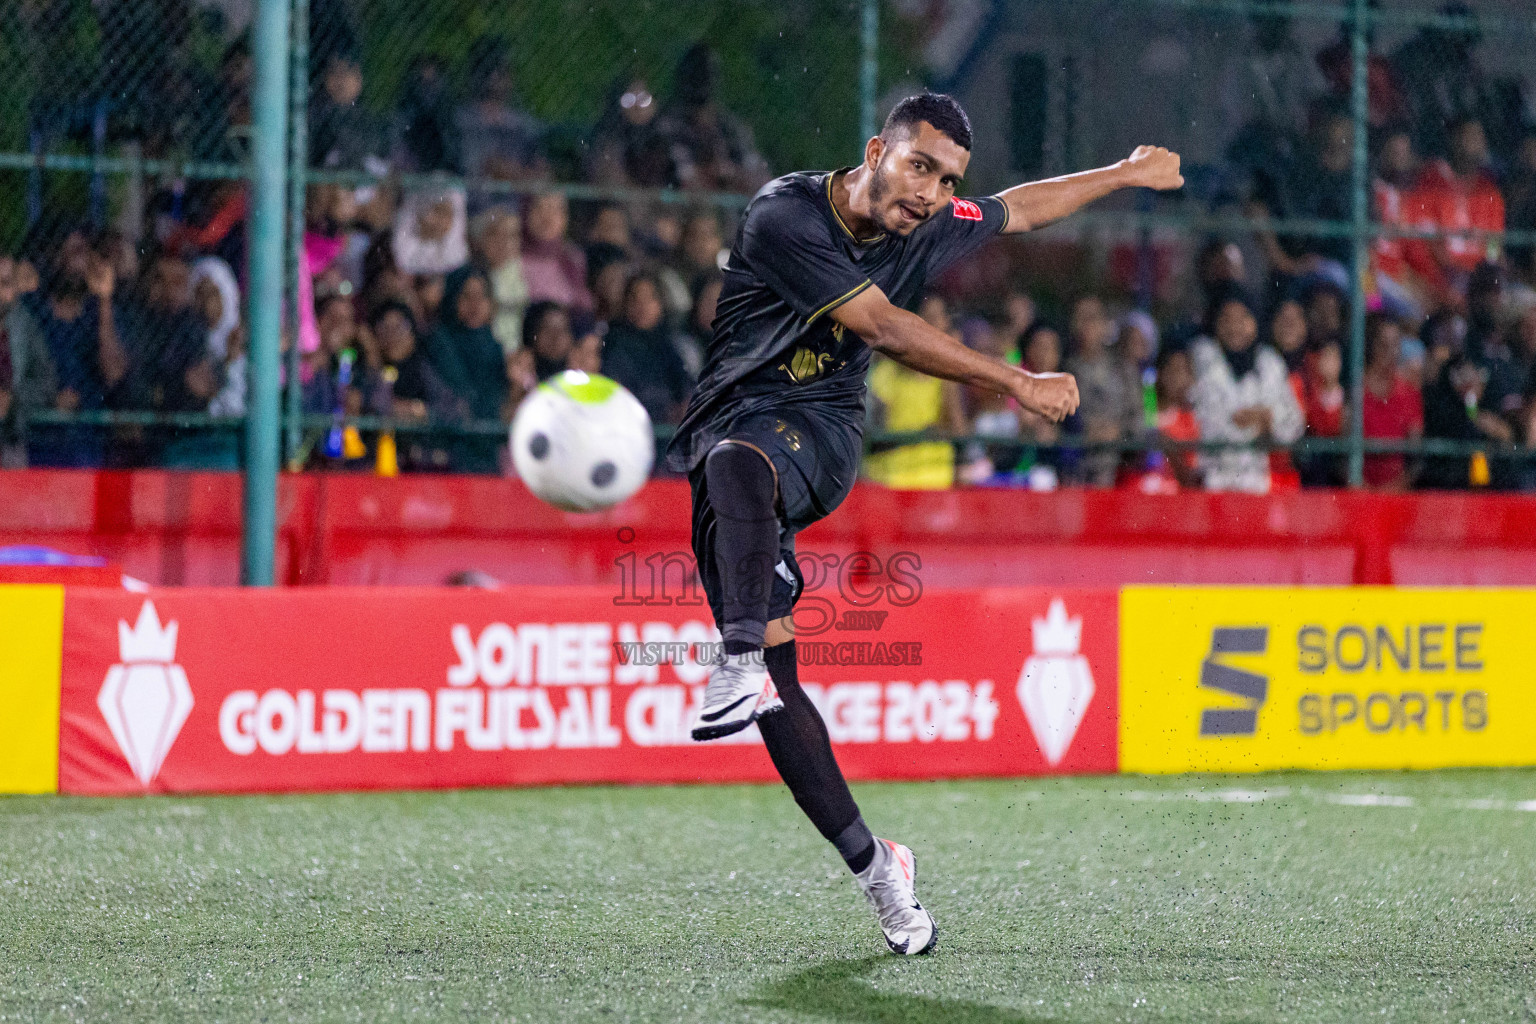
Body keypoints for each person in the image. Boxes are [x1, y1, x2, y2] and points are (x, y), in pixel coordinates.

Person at [665, 92, 1180, 954]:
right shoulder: (785, 216)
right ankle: (882, 874)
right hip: (735, 438)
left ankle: (738, 659)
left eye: (947, 182)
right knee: (780, 701)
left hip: (818, 433)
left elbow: (1020, 207)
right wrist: (1016, 380)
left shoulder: (930, 220)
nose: (934, 195)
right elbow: (885, 326)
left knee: (736, 470)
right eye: (919, 169)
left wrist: (1124, 174)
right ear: (876, 151)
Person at [1189, 286, 1304, 492]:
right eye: (1226, 319)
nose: (1234, 327)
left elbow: (1293, 422)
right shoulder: (1201, 359)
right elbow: (1207, 421)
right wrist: (1249, 420)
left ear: (1255, 322)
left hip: (1258, 481)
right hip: (1211, 479)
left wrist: (1268, 417)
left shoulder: (1270, 362)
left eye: (1242, 318)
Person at [600, 273, 693, 426]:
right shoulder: (612, 344)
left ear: (661, 304)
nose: (642, 306)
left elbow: (685, 387)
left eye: (650, 298)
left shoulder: (669, 346)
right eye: (635, 299)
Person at [1361, 312, 1423, 490]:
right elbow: (1343, 460)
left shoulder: (1409, 393)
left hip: (1398, 496)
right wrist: (1365, 490)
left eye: (1395, 345)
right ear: (1371, 346)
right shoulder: (1357, 392)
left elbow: (1415, 459)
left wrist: (1392, 490)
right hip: (1359, 496)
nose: (1390, 353)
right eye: (1383, 345)